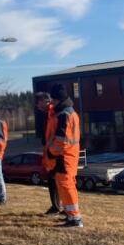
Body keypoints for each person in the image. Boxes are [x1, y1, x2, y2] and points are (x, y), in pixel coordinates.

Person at [46, 83, 84, 228]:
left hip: (64, 156)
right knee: (67, 186)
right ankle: (71, 216)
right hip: (69, 156)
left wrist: (50, 152)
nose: (52, 103)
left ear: (58, 100)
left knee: (66, 186)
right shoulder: (70, 113)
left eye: (53, 100)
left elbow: (61, 141)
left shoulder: (64, 115)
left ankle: (74, 218)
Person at [36, 92, 63, 215]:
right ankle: (57, 206)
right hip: (50, 150)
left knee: (57, 180)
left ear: (45, 101)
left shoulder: (54, 113)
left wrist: (52, 150)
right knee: (53, 180)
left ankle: (59, 207)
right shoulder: (48, 114)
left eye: (38, 102)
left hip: (55, 152)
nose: (37, 106)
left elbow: (57, 133)